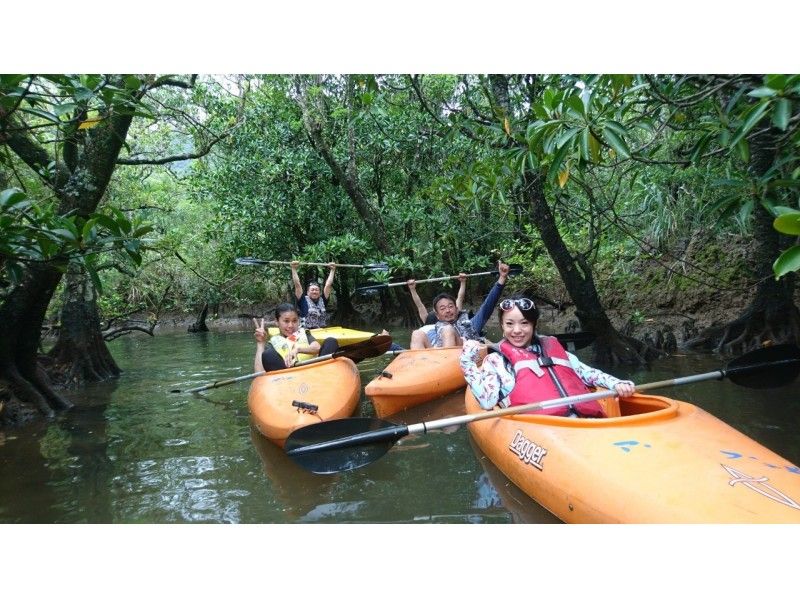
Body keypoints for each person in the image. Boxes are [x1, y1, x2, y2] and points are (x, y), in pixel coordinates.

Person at [460, 295, 635, 417]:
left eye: (524, 323)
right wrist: (467, 363)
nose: (517, 330)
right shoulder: (496, 361)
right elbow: (488, 401)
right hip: (538, 427)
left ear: (534, 325)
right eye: (510, 324)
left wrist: (616, 383)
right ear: (501, 326)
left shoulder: (555, 352)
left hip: (581, 421)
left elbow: (589, 374)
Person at [409, 261, 511, 349]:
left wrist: (502, 278)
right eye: (443, 308)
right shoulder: (432, 329)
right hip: (436, 359)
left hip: (459, 357)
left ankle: (446, 365)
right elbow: (420, 306)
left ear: (457, 309)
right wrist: (412, 289)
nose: (448, 310)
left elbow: (488, 305)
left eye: (450, 306)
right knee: (416, 334)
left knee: (448, 330)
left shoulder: (471, 324)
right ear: (437, 315)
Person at [253, 304, 339, 373]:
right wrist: (260, 343)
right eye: (286, 321)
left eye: (294, 321)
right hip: (288, 379)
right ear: (277, 322)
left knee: (331, 342)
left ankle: (326, 377)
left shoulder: (304, 333)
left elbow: (317, 348)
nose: (290, 325)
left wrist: (298, 349)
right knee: (267, 354)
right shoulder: (272, 343)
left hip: (314, 372)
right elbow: (259, 372)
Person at [291, 260, 335, 329]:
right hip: (307, 332)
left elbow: (328, 285)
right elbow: (297, 284)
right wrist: (293, 269)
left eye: (316, 290)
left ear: (319, 292)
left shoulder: (323, 300)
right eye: (312, 290)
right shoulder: (302, 300)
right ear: (308, 292)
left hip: (321, 331)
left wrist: (332, 270)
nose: (314, 291)